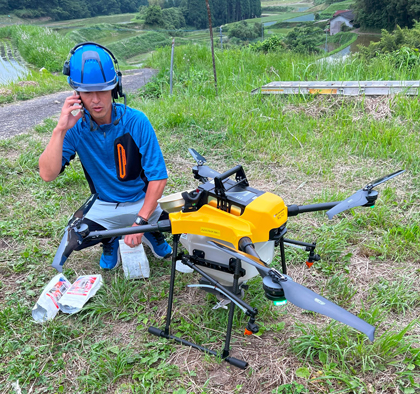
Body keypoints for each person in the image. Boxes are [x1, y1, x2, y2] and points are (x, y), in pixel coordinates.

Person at [38, 42, 172, 270]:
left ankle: (152, 233)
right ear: (77, 94)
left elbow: (158, 177)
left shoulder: (137, 121)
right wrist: (59, 130)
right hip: (104, 203)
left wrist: (140, 222)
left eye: (102, 90)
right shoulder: (75, 128)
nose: (96, 100)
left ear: (115, 88)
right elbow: (47, 174)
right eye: (88, 93)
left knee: (173, 224)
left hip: (140, 199)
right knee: (75, 239)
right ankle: (109, 239)